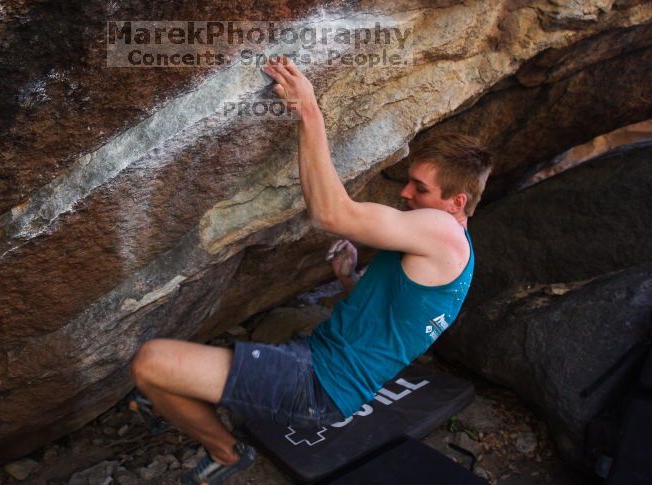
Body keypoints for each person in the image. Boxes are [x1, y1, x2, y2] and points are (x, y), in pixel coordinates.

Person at [129, 56, 493, 484]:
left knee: (150, 365)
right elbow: (397, 325)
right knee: (166, 377)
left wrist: (309, 110)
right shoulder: (452, 252)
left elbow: (331, 215)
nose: (405, 192)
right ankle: (175, 401)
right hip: (319, 372)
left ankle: (225, 453)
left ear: (457, 203)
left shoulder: (442, 231)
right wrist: (349, 279)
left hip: (317, 385)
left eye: (421, 188)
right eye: (410, 181)